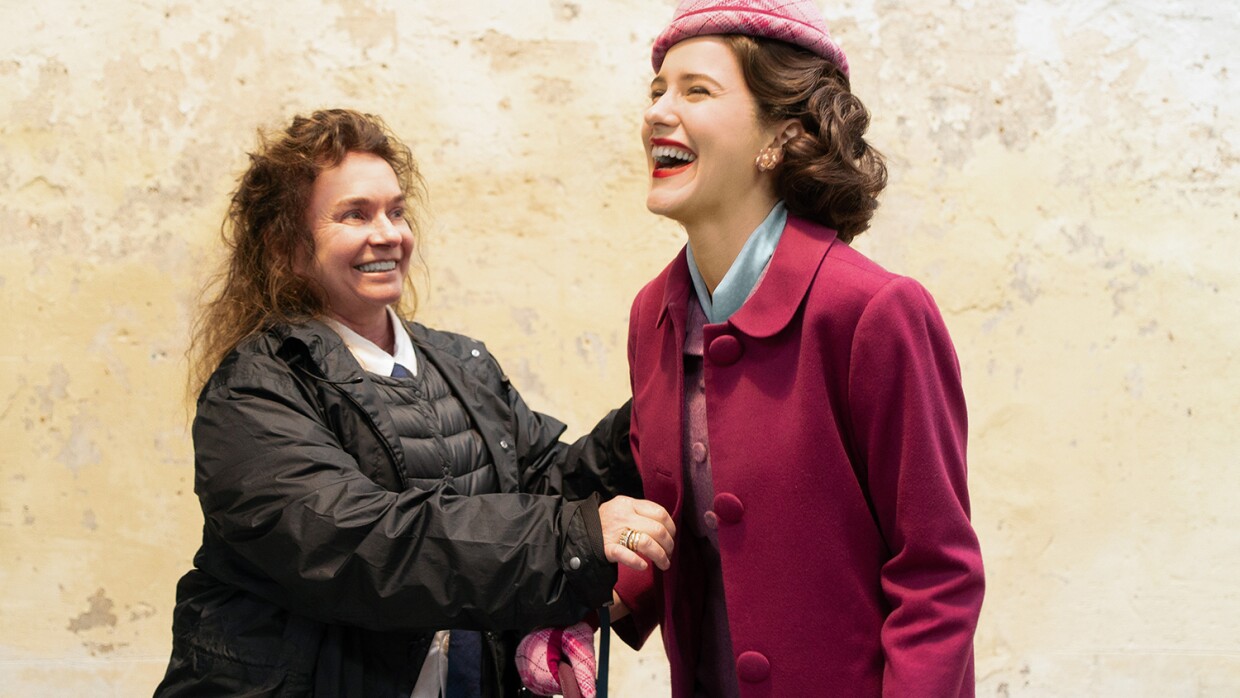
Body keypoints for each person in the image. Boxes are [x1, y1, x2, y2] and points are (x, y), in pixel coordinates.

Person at [154, 108, 674, 698]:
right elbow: (360, 543)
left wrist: (662, 408)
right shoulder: (255, 388)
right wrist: (568, 539)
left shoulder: (460, 364)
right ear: (285, 246)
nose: (389, 234)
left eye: (396, 211)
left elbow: (542, 486)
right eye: (355, 214)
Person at [607, 1, 986, 696]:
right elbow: (681, 523)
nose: (658, 111)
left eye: (696, 90)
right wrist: (579, 594)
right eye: (657, 89)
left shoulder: (874, 313)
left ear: (778, 138)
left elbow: (937, 574)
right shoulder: (652, 316)